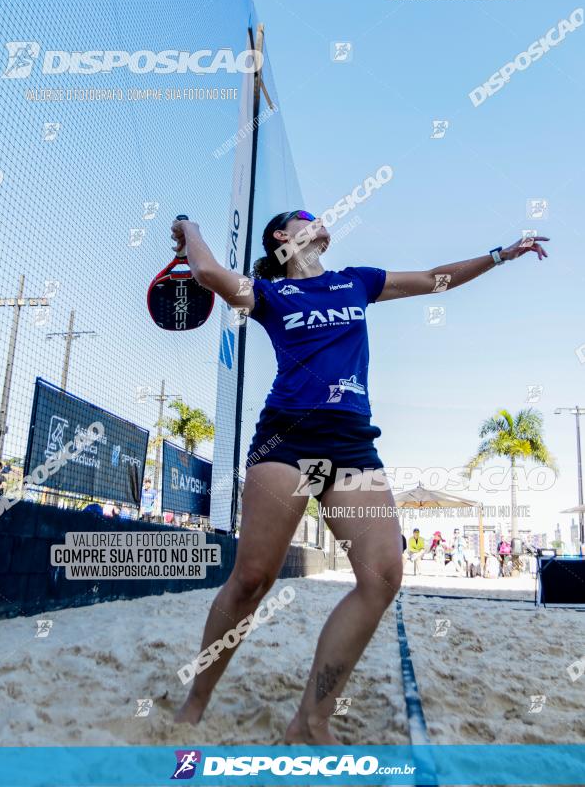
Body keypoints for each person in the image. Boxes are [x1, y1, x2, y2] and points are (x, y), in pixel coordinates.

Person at [170, 212, 549, 743]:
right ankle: (195, 701)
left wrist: (499, 255)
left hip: (351, 446)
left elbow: (433, 278)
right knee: (252, 580)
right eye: (306, 217)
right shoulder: (271, 296)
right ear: (282, 236)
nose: (320, 219)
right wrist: (189, 231)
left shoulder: (357, 280)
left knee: (383, 575)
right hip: (287, 441)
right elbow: (208, 274)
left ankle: (310, 721)